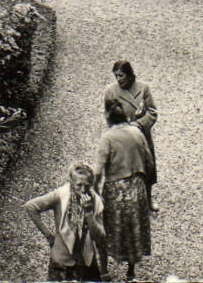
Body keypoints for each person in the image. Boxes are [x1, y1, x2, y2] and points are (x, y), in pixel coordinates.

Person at [94, 104, 154, 282]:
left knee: (109, 228)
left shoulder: (107, 137)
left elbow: (98, 170)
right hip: (137, 186)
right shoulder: (137, 134)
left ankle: (105, 269)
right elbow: (149, 162)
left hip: (115, 189)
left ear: (108, 119)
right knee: (134, 227)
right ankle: (131, 272)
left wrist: (96, 189)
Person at [25, 163, 106, 281]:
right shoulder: (60, 196)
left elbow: (99, 237)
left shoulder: (96, 201)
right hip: (61, 262)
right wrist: (49, 236)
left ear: (91, 184)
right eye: (79, 185)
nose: (83, 190)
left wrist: (89, 213)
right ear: (71, 182)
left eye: (87, 186)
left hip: (86, 262)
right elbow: (31, 207)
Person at [103, 59, 158, 203]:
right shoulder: (110, 91)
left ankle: (149, 198)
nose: (118, 79)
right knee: (124, 166)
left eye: (121, 75)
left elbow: (152, 112)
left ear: (129, 74)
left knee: (147, 165)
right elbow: (108, 115)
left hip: (141, 134)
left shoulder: (143, 88)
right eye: (116, 76)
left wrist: (139, 124)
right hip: (122, 136)